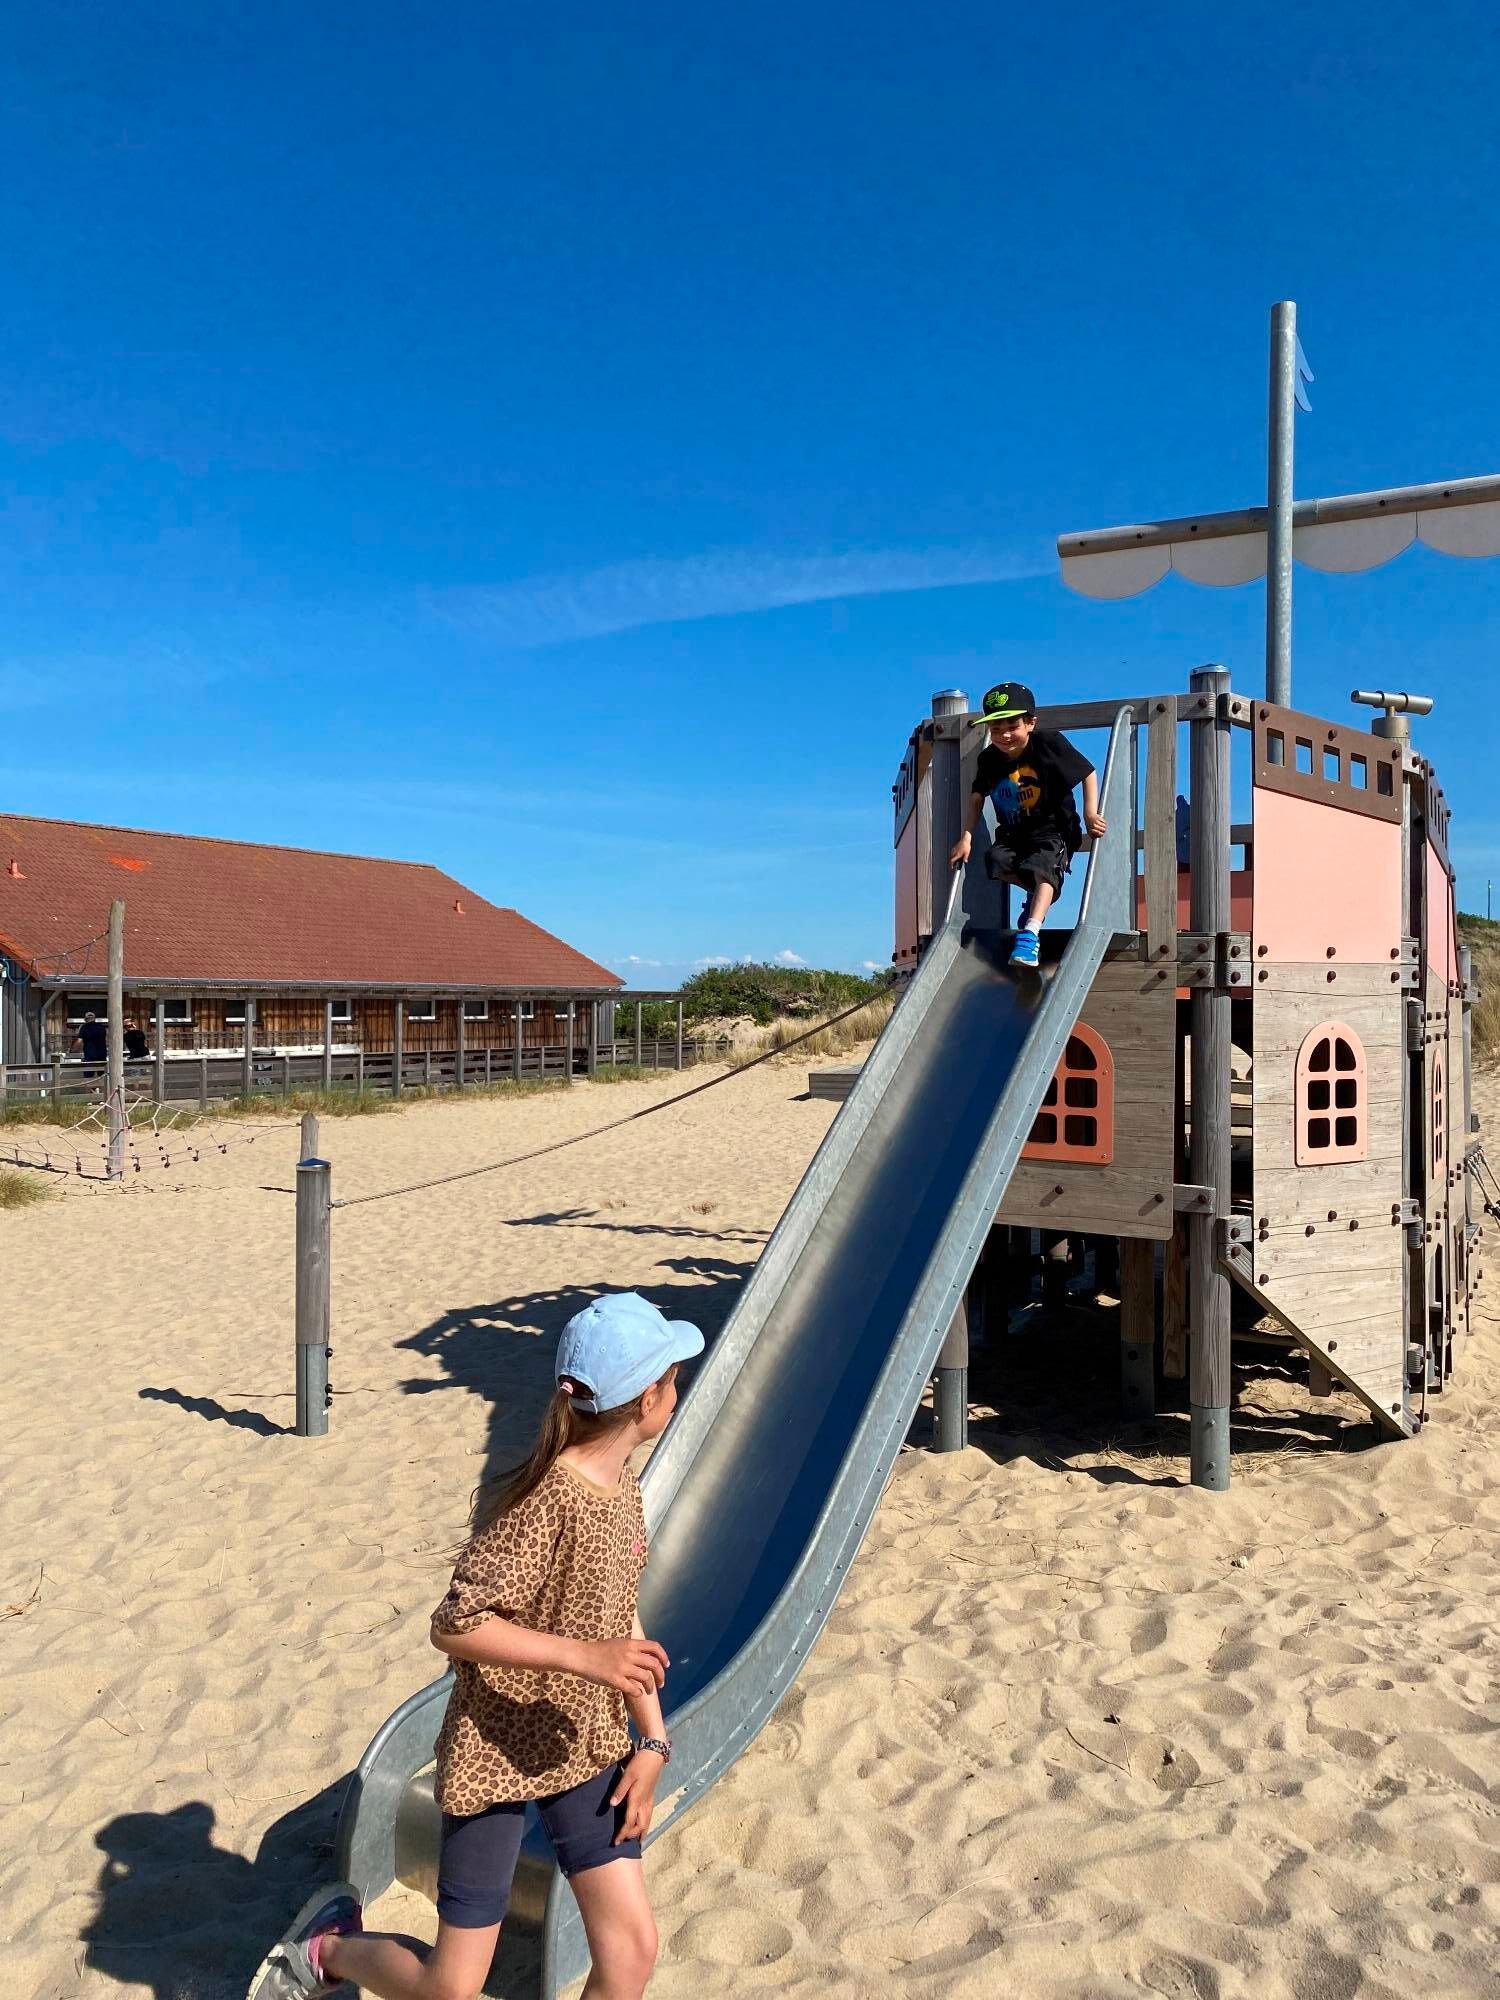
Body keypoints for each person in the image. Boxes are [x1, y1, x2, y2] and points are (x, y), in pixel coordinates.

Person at [251, 1291, 705, 2000]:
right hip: (494, 1754)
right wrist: (584, 1658)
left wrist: (651, 1744)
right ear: (649, 1398)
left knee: (631, 1953)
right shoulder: (547, 1503)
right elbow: (455, 1623)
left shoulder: (624, 1492)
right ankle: (329, 1950)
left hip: (581, 1744)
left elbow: (622, 1622)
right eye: (674, 1380)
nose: (676, 1392)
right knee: (451, 1987)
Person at [948, 680, 1107, 969]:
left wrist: (1090, 814)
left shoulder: (1049, 743)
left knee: (1044, 867)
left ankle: (1030, 934)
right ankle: (1037, 893)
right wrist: (966, 837)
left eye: (1012, 726)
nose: (1004, 735)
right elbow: (975, 798)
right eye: (996, 729)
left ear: (1030, 723)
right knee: (996, 861)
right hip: (1014, 832)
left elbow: (1088, 772)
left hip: (1055, 827)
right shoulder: (989, 758)